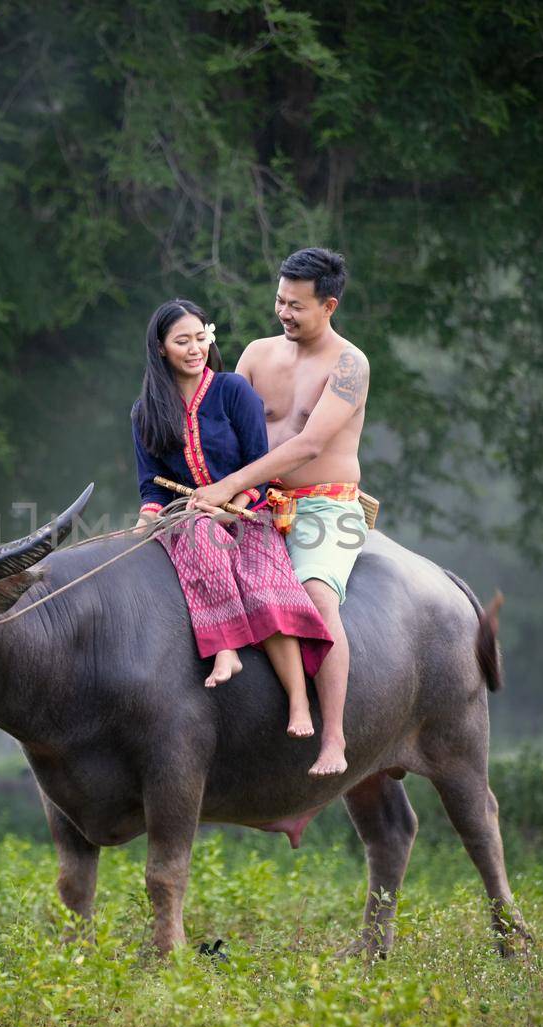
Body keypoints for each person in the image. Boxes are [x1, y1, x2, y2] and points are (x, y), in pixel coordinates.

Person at [190, 249, 369, 777]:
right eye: (279, 301)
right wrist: (217, 490)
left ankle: (334, 738)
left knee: (315, 593)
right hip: (255, 502)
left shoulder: (350, 364)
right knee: (192, 558)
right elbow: (221, 425)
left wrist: (231, 484)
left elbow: (310, 444)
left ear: (329, 305)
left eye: (296, 305)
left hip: (324, 506)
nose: (283, 313)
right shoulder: (256, 354)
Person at [132, 299, 334, 734]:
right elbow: (152, 488)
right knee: (199, 531)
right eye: (181, 341)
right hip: (187, 522)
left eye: (200, 338)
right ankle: (225, 648)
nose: (194, 349)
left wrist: (235, 507)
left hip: (250, 514)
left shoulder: (232, 391)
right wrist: (142, 528)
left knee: (266, 592)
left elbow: (259, 466)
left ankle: (299, 702)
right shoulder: (144, 412)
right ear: (161, 349)